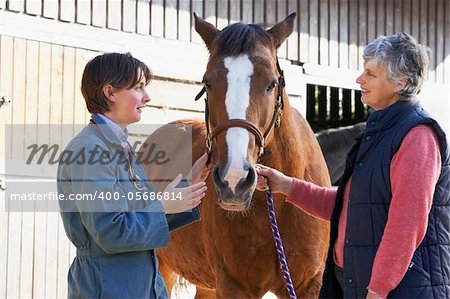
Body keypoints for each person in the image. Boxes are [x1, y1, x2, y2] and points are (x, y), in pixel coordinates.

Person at [256, 33, 449, 298]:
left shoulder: (417, 137)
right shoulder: (379, 132)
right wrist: (287, 185)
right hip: (360, 284)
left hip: (396, 291)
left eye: (371, 74)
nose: (360, 80)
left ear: (400, 83)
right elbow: (352, 205)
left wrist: (378, 290)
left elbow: (406, 226)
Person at [57, 52, 210, 298]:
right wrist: (162, 206)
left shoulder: (119, 146)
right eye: (138, 87)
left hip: (142, 285)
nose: (147, 97)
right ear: (110, 93)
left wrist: (189, 184)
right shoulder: (89, 151)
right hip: (109, 288)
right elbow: (111, 231)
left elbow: (139, 214)